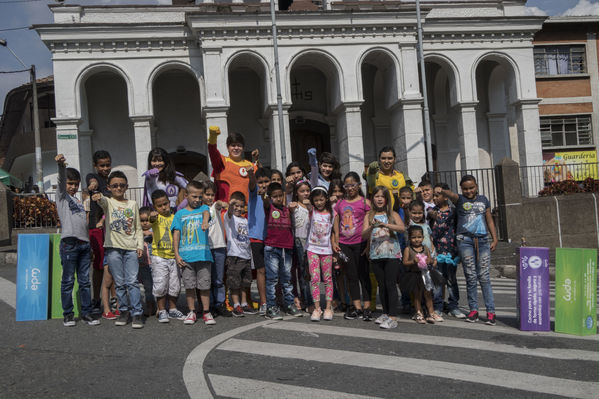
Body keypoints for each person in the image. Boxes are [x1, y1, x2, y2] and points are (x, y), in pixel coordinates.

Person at [442, 175, 498, 325]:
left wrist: (495, 238)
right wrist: (442, 190)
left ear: (476, 186)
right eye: (465, 188)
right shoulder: (460, 200)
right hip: (465, 241)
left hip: (483, 240)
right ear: (462, 189)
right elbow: (451, 195)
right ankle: (473, 310)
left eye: (471, 187)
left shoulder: (484, 200)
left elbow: (489, 219)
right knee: (471, 276)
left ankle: (491, 312)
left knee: (484, 276)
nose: (469, 191)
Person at [92, 171, 144, 328]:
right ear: (109, 187)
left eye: (122, 185)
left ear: (127, 187)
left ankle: (137, 313)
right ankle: (123, 311)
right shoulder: (108, 202)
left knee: (133, 282)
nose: (119, 188)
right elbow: (101, 201)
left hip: (131, 248)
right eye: (115, 186)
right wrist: (97, 195)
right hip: (113, 249)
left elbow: (138, 228)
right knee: (120, 283)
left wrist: (139, 245)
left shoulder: (133, 204)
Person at [54, 154, 100, 327]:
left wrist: (89, 245)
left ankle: (87, 313)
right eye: (69, 183)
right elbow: (60, 181)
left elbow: (84, 224)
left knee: (85, 281)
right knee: (68, 281)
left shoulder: (80, 202)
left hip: (83, 244)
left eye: (75, 184)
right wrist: (61, 166)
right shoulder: (62, 198)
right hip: (69, 243)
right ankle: (68, 314)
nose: (72, 187)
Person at [171, 181, 215, 325]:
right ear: (186, 195)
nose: (197, 200)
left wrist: (205, 221)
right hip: (186, 257)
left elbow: (206, 212)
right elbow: (176, 234)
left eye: (200, 196)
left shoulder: (204, 209)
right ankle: (191, 311)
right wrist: (177, 254)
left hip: (203, 256)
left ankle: (207, 312)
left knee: (204, 285)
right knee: (189, 286)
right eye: (194, 196)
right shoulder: (179, 214)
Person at [362, 186, 405, 329]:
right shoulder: (368, 215)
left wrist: (386, 224)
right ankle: (385, 313)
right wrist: (372, 227)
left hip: (392, 254)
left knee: (391, 284)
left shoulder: (393, 214)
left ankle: (393, 316)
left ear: (386, 199)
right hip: (376, 254)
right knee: (382, 285)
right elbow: (363, 235)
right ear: (372, 198)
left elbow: (402, 228)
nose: (379, 199)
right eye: (376, 196)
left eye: (382, 196)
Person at [333, 172, 372, 321]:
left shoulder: (365, 203)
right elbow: (336, 226)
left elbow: (369, 228)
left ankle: (367, 307)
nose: (349, 188)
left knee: (364, 275)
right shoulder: (340, 203)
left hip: (361, 244)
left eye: (353, 185)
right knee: (351, 276)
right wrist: (336, 243)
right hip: (345, 245)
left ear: (359, 185)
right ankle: (357, 307)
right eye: (347, 186)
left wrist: (368, 245)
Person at [263, 182, 302, 319]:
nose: (279, 198)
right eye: (275, 196)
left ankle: (290, 304)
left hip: (287, 248)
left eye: (281, 195)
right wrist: (264, 195)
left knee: (287, 278)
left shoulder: (287, 209)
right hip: (272, 247)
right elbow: (266, 201)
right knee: (272, 279)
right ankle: (271, 307)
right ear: (270, 197)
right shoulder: (269, 207)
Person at [147, 189, 185, 323]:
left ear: (169, 202)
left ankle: (173, 309)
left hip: (174, 256)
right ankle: (162, 310)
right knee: (161, 285)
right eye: (159, 205)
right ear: (154, 207)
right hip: (159, 257)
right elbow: (150, 219)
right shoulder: (156, 217)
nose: (163, 207)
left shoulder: (175, 217)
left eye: (165, 204)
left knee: (175, 285)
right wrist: (152, 215)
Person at [430, 183, 465, 319]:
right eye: (433, 195)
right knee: (438, 280)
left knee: (451, 279)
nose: (434, 198)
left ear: (445, 196)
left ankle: (453, 306)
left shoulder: (454, 211)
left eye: (437, 195)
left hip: (451, 252)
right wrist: (433, 214)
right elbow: (429, 213)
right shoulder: (432, 211)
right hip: (437, 252)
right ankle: (438, 306)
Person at [86, 150, 112, 313]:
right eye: (102, 165)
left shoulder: (112, 181)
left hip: (112, 227)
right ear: (95, 166)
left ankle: (114, 301)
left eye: (108, 164)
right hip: (96, 228)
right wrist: (92, 185)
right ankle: (96, 299)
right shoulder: (92, 177)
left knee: (113, 266)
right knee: (98, 267)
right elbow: (91, 181)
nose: (105, 168)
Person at [305, 186, 335, 322]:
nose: (319, 202)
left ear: (326, 199)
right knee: (315, 279)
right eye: (316, 200)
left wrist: (335, 245)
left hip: (327, 250)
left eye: (321, 199)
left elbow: (335, 232)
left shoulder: (332, 212)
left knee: (328, 279)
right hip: (312, 249)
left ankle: (328, 307)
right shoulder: (312, 211)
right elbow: (306, 202)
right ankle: (317, 308)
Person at [202, 180, 231, 317]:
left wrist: (221, 203)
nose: (209, 197)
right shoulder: (199, 210)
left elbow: (219, 204)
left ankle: (220, 304)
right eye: (207, 194)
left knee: (219, 279)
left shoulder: (214, 207)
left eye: (212, 194)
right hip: (205, 248)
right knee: (207, 279)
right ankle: (210, 305)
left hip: (219, 246)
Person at [223, 191, 253, 317]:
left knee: (245, 282)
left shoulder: (245, 220)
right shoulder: (229, 218)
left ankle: (244, 303)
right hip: (234, 255)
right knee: (234, 282)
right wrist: (230, 205)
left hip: (246, 256)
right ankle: (236, 305)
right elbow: (229, 212)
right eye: (236, 205)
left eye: (241, 206)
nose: (238, 208)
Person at [208, 126, 257, 201]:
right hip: (226, 210)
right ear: (228, 147)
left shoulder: (251, 166)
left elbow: (256, 188)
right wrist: (213, 137)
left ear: (243, 148)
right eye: (233, 145)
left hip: (246, 211)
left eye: (239, 145)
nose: (236, 148)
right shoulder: (222, 162)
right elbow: (213, 152)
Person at [402, 225, 439, 324]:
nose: (416, 240)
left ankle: (431, 313)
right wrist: (413, 261)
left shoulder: (425, 248)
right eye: (413, 237)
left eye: (419, 237)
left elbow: (430, 259)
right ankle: (419, 312)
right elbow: (405, 262)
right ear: (409, 238)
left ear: (423, 237)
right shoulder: (408, 249)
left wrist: (430, 261)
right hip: (414, 275)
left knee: (428, 294)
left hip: (426, 274)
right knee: (417, 295)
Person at [247, 167, 271, 315]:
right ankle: (263, 302)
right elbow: (251, 184)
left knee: (273, 271)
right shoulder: (254, 192)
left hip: (272, 237)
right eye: (260, 182)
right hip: (256, 236)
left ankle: (275, 299)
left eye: (266, 182)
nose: (263, 185)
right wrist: (251, 175)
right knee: (260, 270)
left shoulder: (273, 196)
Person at [289, 179, 313, 312]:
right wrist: (291, 209)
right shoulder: (294, 206)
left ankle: (308, 299)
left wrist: (310, 207)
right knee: (300, 272)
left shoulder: (312, 206)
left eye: (307, 191)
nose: (305, 194)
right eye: (302, 191)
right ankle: (304, 299)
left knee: (307, 273)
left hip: (310, 242)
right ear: (296, 193)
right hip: (297, 240)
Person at [138, 206, 156, 317]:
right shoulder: (137, 232)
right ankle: (150, 306)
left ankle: (161, 307)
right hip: (143, 264)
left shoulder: (155, 230)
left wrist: (151, 234)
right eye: (142, 220)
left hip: (155, 263)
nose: (145, 223)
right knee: (148, 287)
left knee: (159, 286)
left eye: (147, 220)